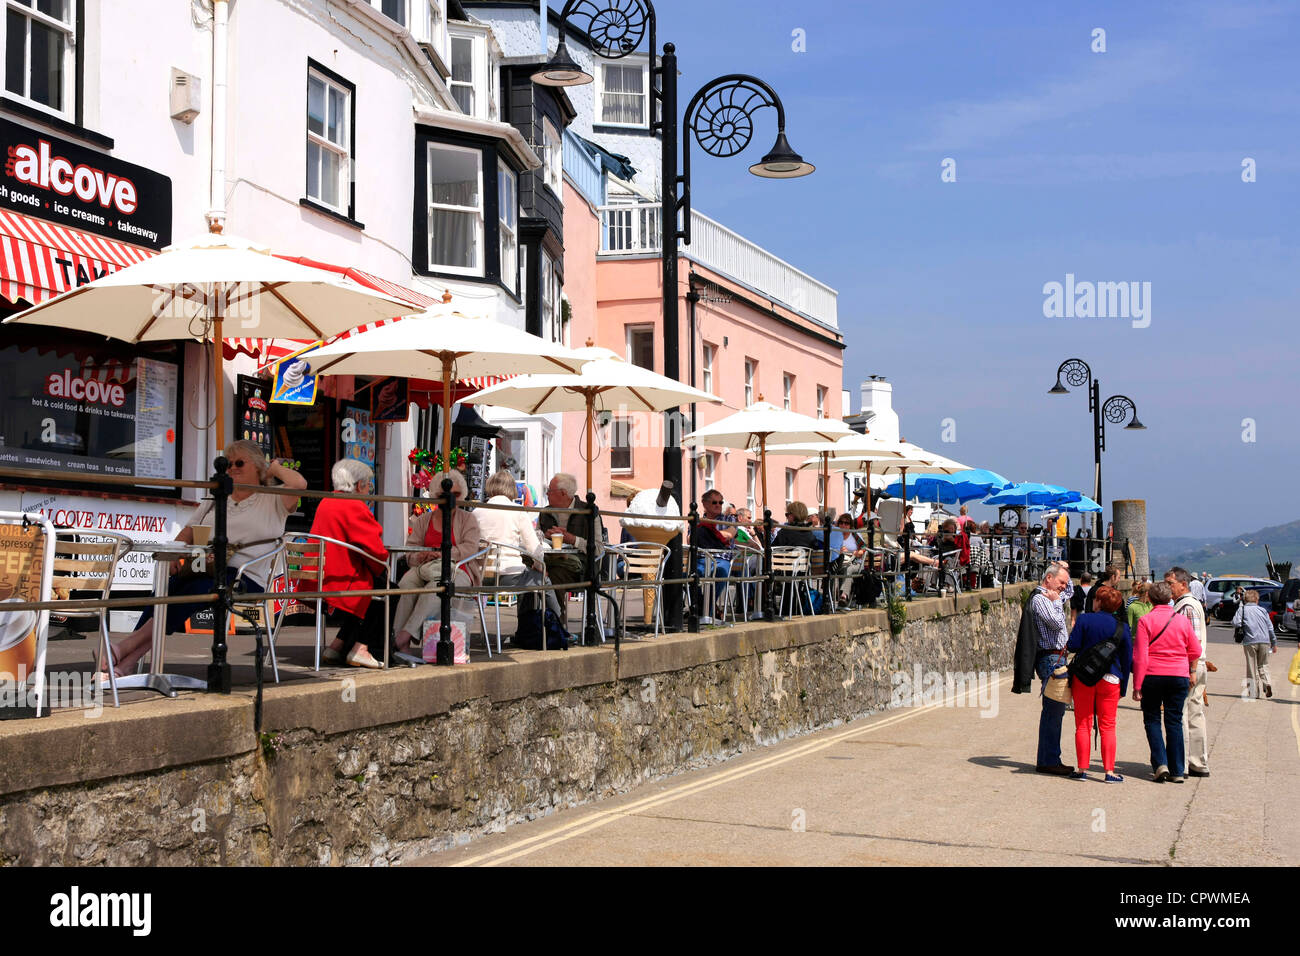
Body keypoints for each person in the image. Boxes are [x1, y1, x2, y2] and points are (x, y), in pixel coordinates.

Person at [106, 440, 307, 677]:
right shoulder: (217, 497)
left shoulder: (274, 498)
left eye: (239, 463)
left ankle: (123, 649)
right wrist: (174, 552)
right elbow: (190, 530)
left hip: (245, 574)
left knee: (193, 593)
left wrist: (272, 468)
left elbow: (299, 483)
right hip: (205, 565)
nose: (231, 468)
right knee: (167, 591)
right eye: (227, 463)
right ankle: (125, 662)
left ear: (257, 467)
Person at [392, 469, 483, 655]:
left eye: (456, 494)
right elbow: (411, 549)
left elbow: (470, 548)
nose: (451, 498)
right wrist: (422, 556)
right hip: (424, 567)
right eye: (445, 495)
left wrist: (445, 554)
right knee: (405, 584)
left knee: (435, 588)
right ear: (435, 495)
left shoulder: (468, 520)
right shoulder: (423, 520)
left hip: (459, 569)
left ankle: (403, 636)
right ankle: (398, 638)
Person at [311, 459, 389, 669]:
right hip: (340, 580)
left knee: (374, 589)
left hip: (319, 577)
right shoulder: (354, 505)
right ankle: (360, 648)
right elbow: (375, 551)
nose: (368, 490)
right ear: (358, 485)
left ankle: (337, 645)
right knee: (388, 590)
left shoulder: (325, 501)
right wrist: (381, 565)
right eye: (367, 485)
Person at [1133, 581, 1201, 783]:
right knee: (1174, 721)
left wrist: (1137, 686)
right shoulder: (1181, 621)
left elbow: (1140, 657)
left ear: (1151, 599)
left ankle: (1160, 763)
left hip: (1152, 675)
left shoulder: (1145, 621)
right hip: (1178, 675)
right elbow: (1196, 650)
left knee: (1152, 719)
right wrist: (1189, 668)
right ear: (1170, 598)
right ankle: (1178, 770)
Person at [475, 468, 562, 620]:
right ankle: (559, 626)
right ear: (512, 489)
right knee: (543, 581)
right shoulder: (517, 511)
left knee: (530, 577)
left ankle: (524, 631)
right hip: (510, 575)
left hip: (481, 577)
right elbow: (535, 548)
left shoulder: (477, 511)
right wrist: (539, 566)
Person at [1067, 584, 1133, 782]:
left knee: (1083, 724)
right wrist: (1124, 686)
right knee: (1108, 726)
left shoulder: (1085, 619)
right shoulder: (1122, 626)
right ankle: (1109, 772)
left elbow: (1073, 645)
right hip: (1111, 678)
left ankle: (1082, 770)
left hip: (1085, 676)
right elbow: (1128, 658)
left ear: (1098, 602)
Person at [1020, 562, 1076, 774]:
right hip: (1051, 658)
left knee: (1056, 711)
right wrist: (1056, 604)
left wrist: (1062, 567)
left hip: (1057, 656)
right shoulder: (1042, 599)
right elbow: (1055, 623)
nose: (1064, 586)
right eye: (1060, 582)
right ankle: (1048, 760)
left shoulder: (1054, 594)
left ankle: (1050, 758)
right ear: (1049, 579)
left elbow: (1069, 590)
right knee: (1054, 711)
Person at [537, 472, 609, 625]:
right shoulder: (545, 513)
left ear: (563, 493)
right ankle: (528, 627)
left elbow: (599, 548)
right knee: (530, 576)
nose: (547, 494)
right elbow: (536, 540)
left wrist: (572, 539)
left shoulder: (589, 512)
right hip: (548, 563)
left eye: (549, 491)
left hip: (580, 568)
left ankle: (557, 626)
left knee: (553, 577)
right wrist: (545, 538)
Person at [1166, 566, 1211, 775]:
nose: (1168, 588)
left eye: (1170, 584)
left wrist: (1191, 669)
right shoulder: (1191, 604)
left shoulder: (1186, 606)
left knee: (1181, 714)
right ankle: (1198, 762)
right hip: (1196, 664)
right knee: (1195, 712)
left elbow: (1192, 641)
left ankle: (1182, 763)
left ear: (1183, 584)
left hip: (1189, 665)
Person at [692, 489, 736, 618]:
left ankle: (706, 612)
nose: (718, 505)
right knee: (684, 576)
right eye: (714, 502)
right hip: (701, 558)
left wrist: (707, 532)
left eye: (720, 502)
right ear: (705, 504)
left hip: (721, 558)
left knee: (721, 571)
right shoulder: (696, 520)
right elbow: (690, 539)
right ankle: (704, 608)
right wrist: (715, 534)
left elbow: (729, 534)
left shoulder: (728, 519)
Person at [1233, 589, 1276, 699]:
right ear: (1257, 599)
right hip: (1264, 640)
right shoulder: (1263, 610)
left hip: (1250, 640)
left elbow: (1236, 622)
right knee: (1263, 664)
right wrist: (1274, 642)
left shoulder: (1242, 610)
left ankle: (1253, 692)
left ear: (1245, 599)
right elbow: (1270, 627)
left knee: (1251, 667)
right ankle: (1267, 683)